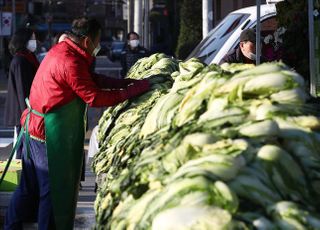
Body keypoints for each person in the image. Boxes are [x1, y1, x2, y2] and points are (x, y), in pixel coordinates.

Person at [4, 17, 150, 230]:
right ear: (86, 41)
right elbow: (94, 97)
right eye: (97, 40)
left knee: (29, 187)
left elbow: (92, 79)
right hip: (47, 134)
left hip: (33, 128)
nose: (98, 45)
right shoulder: (69, 61)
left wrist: (127, 83)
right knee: (52, 192)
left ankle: (11, 226)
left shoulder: (65, 51)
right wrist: (133, 91)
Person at [4, 28, 39, 159]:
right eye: (32, 38)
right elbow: (21, 90)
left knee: (27, 147)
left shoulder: (28, 57)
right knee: (21, 147)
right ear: (23, 40)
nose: (34, 42)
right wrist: (27, 113)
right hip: (22, 113)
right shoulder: (20, 60)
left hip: (28, 111)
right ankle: (21, 175)